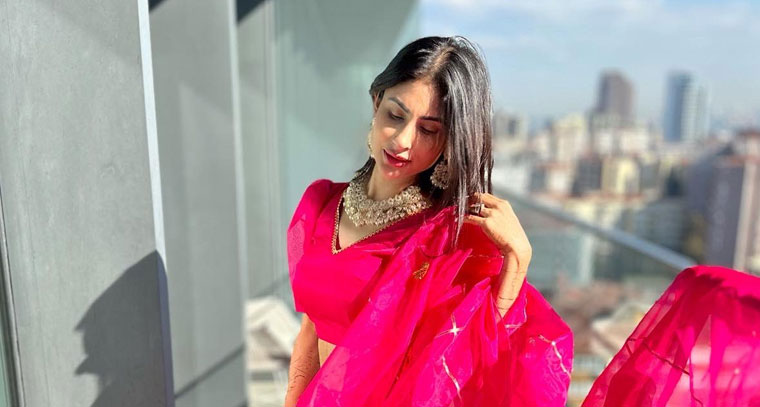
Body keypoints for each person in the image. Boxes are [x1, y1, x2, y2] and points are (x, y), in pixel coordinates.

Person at [284, 36, 573, 407]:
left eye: (428, 130)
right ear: (376, 102)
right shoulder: (320, 204)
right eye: (395, 115)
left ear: (449, 140)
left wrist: (518, 259)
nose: (403, 140)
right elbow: (311, 331)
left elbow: (474, 359)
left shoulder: (447, 238)